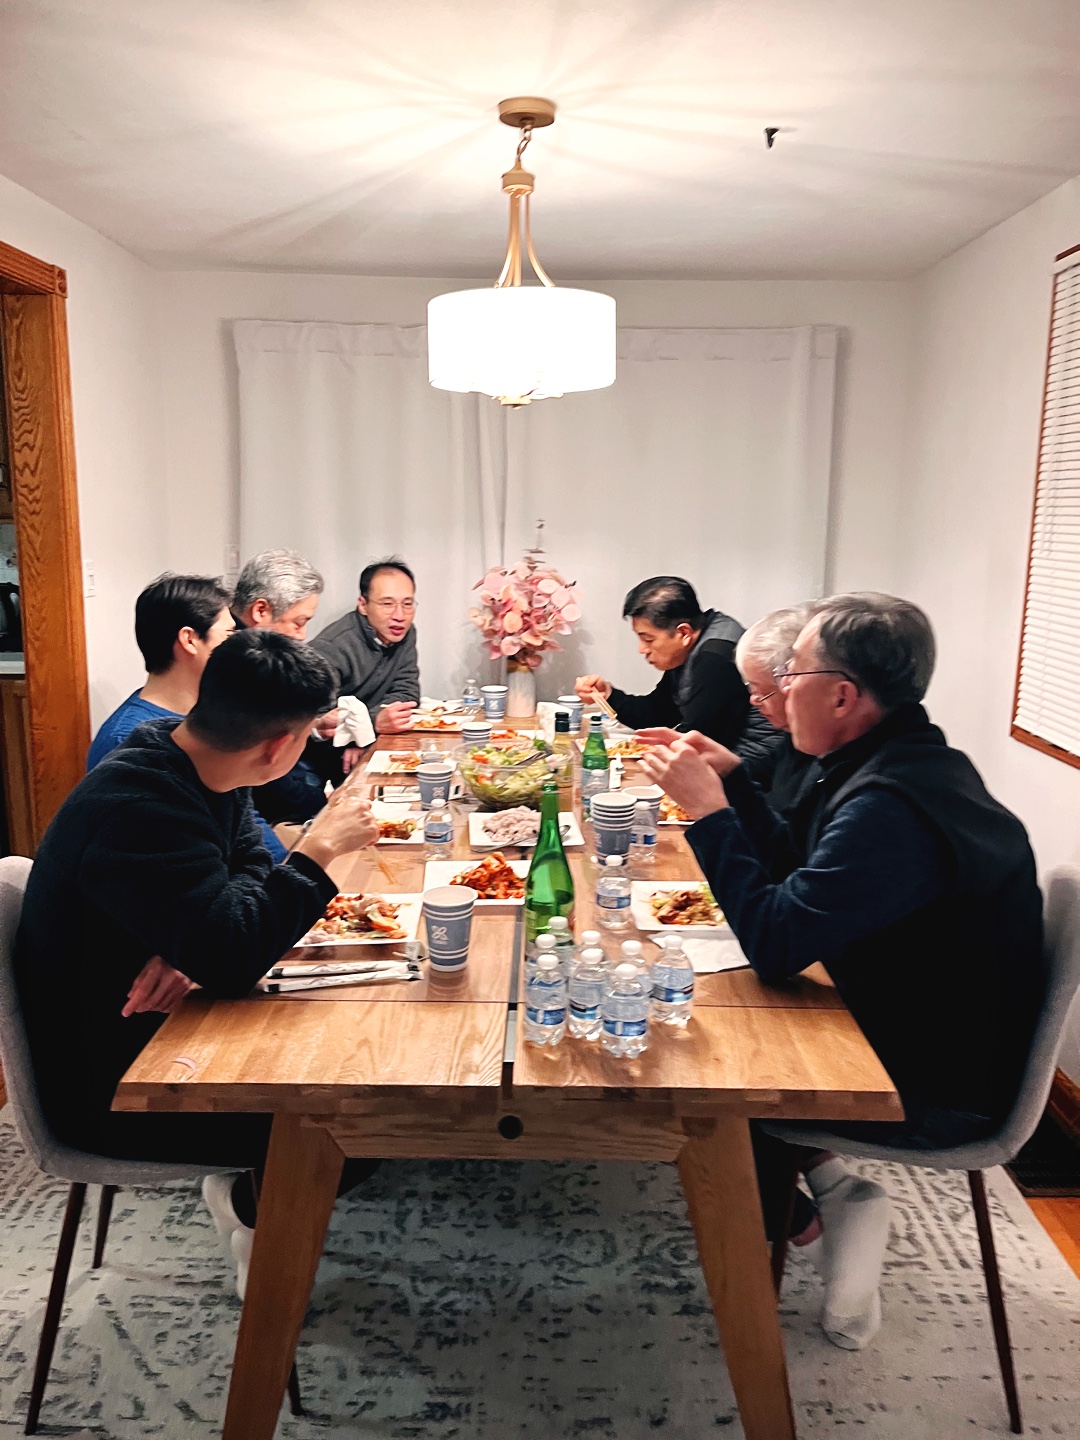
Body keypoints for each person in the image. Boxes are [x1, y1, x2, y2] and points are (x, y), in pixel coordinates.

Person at [640, 592, 1044, 1349]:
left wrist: (710, 814)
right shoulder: (902, 762)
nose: (776, 693)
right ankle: (835, 1190)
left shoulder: (891, 807)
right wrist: (734, 783)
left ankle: (801, 1230)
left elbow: (778, 942)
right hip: (909, 1017)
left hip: (933, 1082)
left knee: (698, 1079)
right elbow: (798, 878)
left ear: (842, 695)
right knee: (709, 1023)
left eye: (791, 675)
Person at [17, 630, 380, 1293]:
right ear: (277, 747)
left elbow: (249, 870)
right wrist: (318, 852)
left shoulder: (195, 758)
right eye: (307, 735)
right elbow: (236, 955)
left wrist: (192, 941)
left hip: (166, 1027)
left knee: (356, 1051)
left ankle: (253, 1197)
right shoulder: (140, 806)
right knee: (361, 1121)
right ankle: (244, 1204)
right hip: (115, 1082)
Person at [86, 573, 287, 862]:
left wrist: (287, 868)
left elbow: (242, 815)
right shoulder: (128, 740)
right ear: (190, 640)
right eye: (229, 635)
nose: (238, 646)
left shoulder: (208, 714)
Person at [574, 576, 782, 779]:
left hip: (753, 774)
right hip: (728, 762)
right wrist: (608, 695)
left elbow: (695, 742)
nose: (642, 649)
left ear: (683, 633)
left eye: (648, 639)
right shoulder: (695, 644)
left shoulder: (715, 658)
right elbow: (659, 712)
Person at [231, 549, 333, 823]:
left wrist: (314, 727)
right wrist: (323, 804)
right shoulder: (242, 664)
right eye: (299, 623)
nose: (302, 635)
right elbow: (265, 774)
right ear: (260, 610)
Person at [311, 556, 421, 777]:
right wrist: (369, 727)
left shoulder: (405, 634)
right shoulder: (333, 647)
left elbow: (407, 693)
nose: (400, 616)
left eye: (407, 604)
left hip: (368, 744)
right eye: (387, 604)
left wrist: (365, 735)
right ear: (363, 605)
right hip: (320, 758)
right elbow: (320, 720)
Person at [734, 604, 819, 812]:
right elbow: (766, 770)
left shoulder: (821, 746)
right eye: (751, 689)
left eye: (761, 691)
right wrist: (724, 769)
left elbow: (787, 825)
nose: (754, 700)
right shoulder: (793, 737)